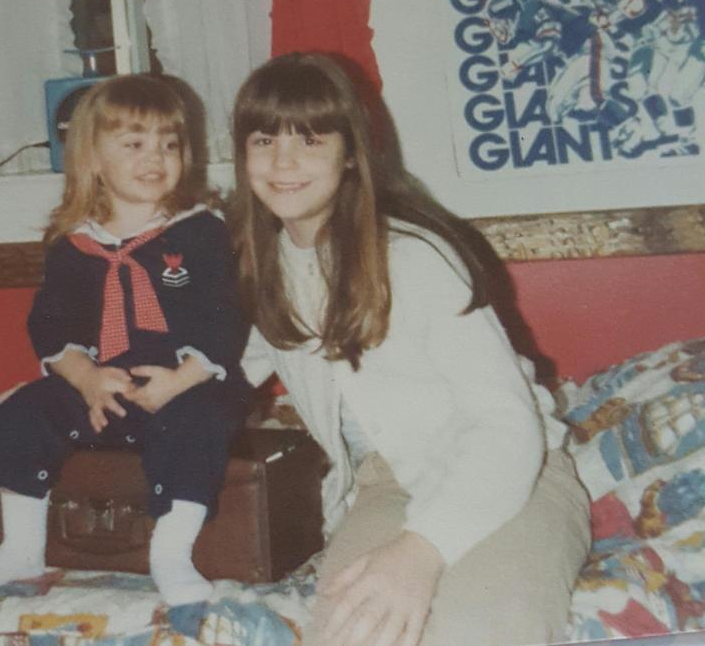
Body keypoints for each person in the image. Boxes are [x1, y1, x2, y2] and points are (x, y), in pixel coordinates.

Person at [230, 52, 590, 646]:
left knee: (478, 631)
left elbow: (505, 424)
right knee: (356, 632)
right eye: (263, 139)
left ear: (351, 154)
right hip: (383, 486)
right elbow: (220, 369)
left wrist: (420, 554)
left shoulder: (414, 256)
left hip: (509, 470)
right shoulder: (261, 266)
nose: (283, 162)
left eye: (310, 140)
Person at [0, 74, 251, 619]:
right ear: (92, 157)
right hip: (104, 387)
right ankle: (21, 547)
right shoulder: (74, 244)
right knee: (23, 412)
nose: (155, 157)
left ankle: (171, 551)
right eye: (134, 145)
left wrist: (180, 379)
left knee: (199, 424)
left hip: (186, 383)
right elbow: (49, 324)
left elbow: (225, 317)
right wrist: (85, 378)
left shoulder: (201, 232)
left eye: (169, 144)